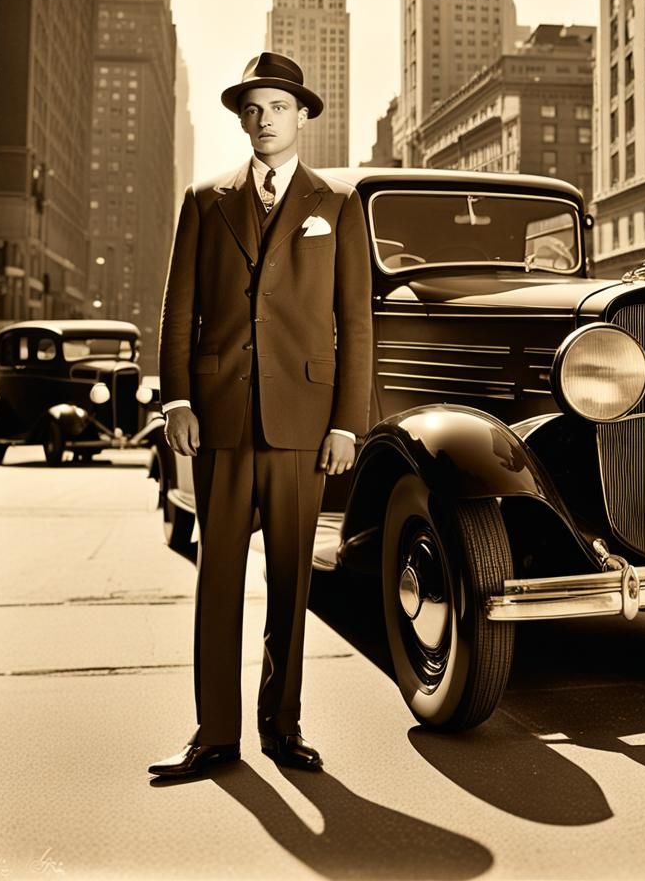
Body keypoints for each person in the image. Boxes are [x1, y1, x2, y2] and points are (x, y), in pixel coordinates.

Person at [149, 52, 372, 778]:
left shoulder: (335, 203)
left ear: (302, 114)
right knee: (217, 579)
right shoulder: (204, 197)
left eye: (276, 106)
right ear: (241, 118)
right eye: (251, 108)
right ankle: (214, 733)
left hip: (303, 422)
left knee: (291, 581)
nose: (262, 119)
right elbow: (179, 306)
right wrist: (176, 396)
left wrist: (347, 423)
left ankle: (283, 725)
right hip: (217, 416)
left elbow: (356, 320)